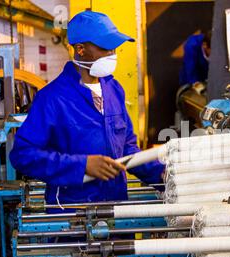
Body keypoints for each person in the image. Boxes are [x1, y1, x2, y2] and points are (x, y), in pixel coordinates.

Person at [10, 11, 165, 207]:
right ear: (80, 49)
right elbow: (22, 155)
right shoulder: (52, 98)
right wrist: (82, 166)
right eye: (105, 48)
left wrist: (161, 174)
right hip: (71, 214)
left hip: (115, 208)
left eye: (114, 48)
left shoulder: (114, 90)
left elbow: (127, 148)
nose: (112, 54)